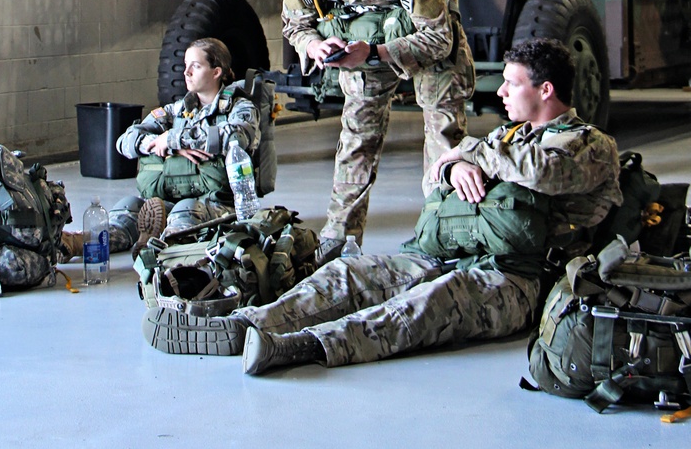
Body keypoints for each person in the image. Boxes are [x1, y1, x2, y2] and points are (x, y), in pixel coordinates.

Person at [235, 38, 622, 375]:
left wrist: (469, 151)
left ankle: (303, 346)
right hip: (453, 252)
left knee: (427, 303)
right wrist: (455, 166)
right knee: (354, 273)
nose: (501, 91)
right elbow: (435, 177)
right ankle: (248, 323)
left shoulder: (590, 145)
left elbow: (542, 173)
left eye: (511, 83)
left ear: (545, 90)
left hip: (518, 280)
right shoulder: (508, 137)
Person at [282, 0, 474, 254]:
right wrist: (314, 45)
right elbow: (295, 24)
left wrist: (376, 51)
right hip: (365, 46)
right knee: (356, 138)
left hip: (426, 44)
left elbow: (440, 39)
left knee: (444, 138)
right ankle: (340, 240)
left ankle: (443, 234)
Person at [60, 38, 260, 258]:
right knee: (128, 210)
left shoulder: (240, 108)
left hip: (216, 205)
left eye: (196, 66)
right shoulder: (177, 110)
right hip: (169, 199)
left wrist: (174, 139)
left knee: (186, 212)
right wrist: (161, 145)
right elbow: (125, 142)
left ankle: (159, 250)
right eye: (185, 65)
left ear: (216, 72)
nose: (187, 72)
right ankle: (77, 242)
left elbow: (236, 136)